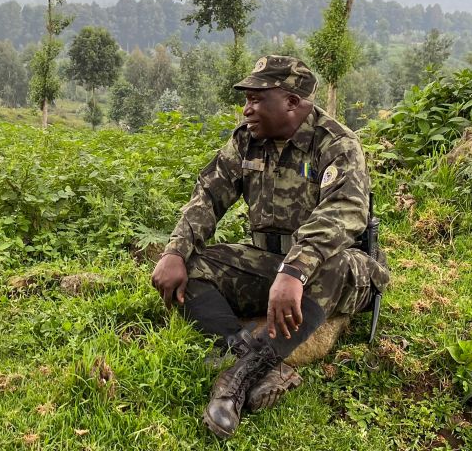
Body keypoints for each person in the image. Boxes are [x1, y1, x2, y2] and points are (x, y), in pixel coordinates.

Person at [150, 55, 389, 438]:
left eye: (258, 99)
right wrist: (176, 250)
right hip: (268, 262)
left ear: (292, 102)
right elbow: (209, 195)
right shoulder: (246, 140)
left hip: (334, 271)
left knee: (333, 262)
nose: (247, 109)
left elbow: (343, 212)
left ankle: (235, 381)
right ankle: (251, 354)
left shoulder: (337, 144)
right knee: (193, 268)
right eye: (246, 99)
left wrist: (294, 270)